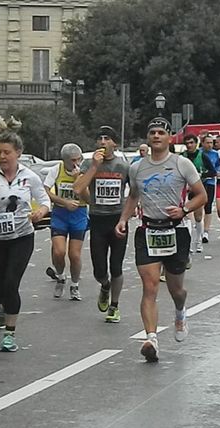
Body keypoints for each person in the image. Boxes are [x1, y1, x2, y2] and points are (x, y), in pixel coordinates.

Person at [116, 117, 207, 362]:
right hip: (148, 231)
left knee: (176, 289)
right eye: (152, 132)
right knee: (150, 286)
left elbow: (202, 196)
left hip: (175, 231)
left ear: (169, 138)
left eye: (160, 133)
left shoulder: (182, 164)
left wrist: (185, 210)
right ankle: (151, 338)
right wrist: (124, 219)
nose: (156, 136)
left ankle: (180, 311)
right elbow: (134, 196)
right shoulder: (136, 168)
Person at [0, 129, 51, 350]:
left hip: (22, 237)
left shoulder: (29, 176)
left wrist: (40, 212)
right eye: (0, 152)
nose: (2, 157)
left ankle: (10, 334)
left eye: (7, 152)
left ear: (18, 153)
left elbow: (44, 201)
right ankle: (1, 304)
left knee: (11, 283)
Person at [73, 125, 130, 323]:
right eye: (100, 139)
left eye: (107, 139)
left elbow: (135, 191)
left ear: (114, 143)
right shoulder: (89, 164)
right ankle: (104, 285)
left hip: (117, 220)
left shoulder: (123, 166)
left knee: (116, 266)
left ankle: (114, 306)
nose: (103, 142)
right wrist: (95, 168)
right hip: (97, 220)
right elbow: (78, 189)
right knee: (99, 270)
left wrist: (129, 212)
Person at [44, 143, 88, 300]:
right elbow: (46, 191)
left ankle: (75, 285)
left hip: (79, 215)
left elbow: (89, 199)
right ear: (65, 160)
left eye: (79, 159)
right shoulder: (57, 169)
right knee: (59, 251)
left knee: (74, 255)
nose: (77, 163)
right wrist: (64, 202)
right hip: (60, 214)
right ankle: (61, 276)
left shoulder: (84, 171)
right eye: (73, 160)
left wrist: (78, 181)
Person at [182, 134, 217, 252]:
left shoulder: (203, 156)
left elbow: (213, 172)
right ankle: (188, 243)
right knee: (186, 216)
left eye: (191, 143)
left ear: (196, 144)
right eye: (187, 144)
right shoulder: (182, 157)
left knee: (198, 216)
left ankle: (198, 241)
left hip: (199, 189)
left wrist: (201, 175)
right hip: (184, 190)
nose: (189, 145)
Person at [198, 134, 220, 243]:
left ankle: (206, 231)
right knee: (198, 206)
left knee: (208, 205)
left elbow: (217, 168)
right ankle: (198, 228)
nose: (210, 145)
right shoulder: (199, 153)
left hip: (210, 183)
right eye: (207, 142)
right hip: (198, 183)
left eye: (211, 143)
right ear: (202, 143)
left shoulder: (215, 154)